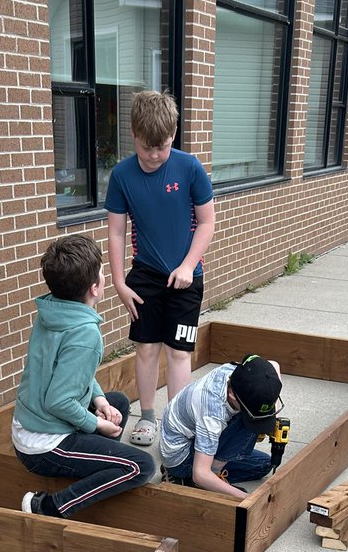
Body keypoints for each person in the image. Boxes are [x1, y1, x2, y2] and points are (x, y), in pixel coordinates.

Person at [15, 234, 155, 519]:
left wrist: (100, 400)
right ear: (95, 288)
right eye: (103, 272)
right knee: (141, 466)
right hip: (44, 446)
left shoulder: (53, 310)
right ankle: (52, 507)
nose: (105, 276)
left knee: (117, 402)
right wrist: (96, 425)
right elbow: (59, 401)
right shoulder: (85, 334)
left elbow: (70, 372)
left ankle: (96, 470)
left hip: (29, 426)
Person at [106, 90, 215, 447]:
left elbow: (207, 222)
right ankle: (149, 417)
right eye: (146, 148)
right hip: (146, 278)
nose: (154, 156)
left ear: (174, 135)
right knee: (147, 348)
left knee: (179, 352)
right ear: (134, 135)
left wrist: (187, 265)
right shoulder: (122, 176)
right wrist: (120, 283)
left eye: (163, 147)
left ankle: (176, 421)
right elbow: (117, 231)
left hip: (187, 277)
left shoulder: (189, 167)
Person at [159, 355, 283, 498]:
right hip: (181, 457)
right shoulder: (212, 412)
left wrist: (273, 416)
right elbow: (200, 473)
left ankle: (203, 478)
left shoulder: (242, 375)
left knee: (263, 464)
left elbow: (274, 365)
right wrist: (247, 500)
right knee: (245, 421)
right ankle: (199, 475)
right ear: (232, 395)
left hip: (196, 437)